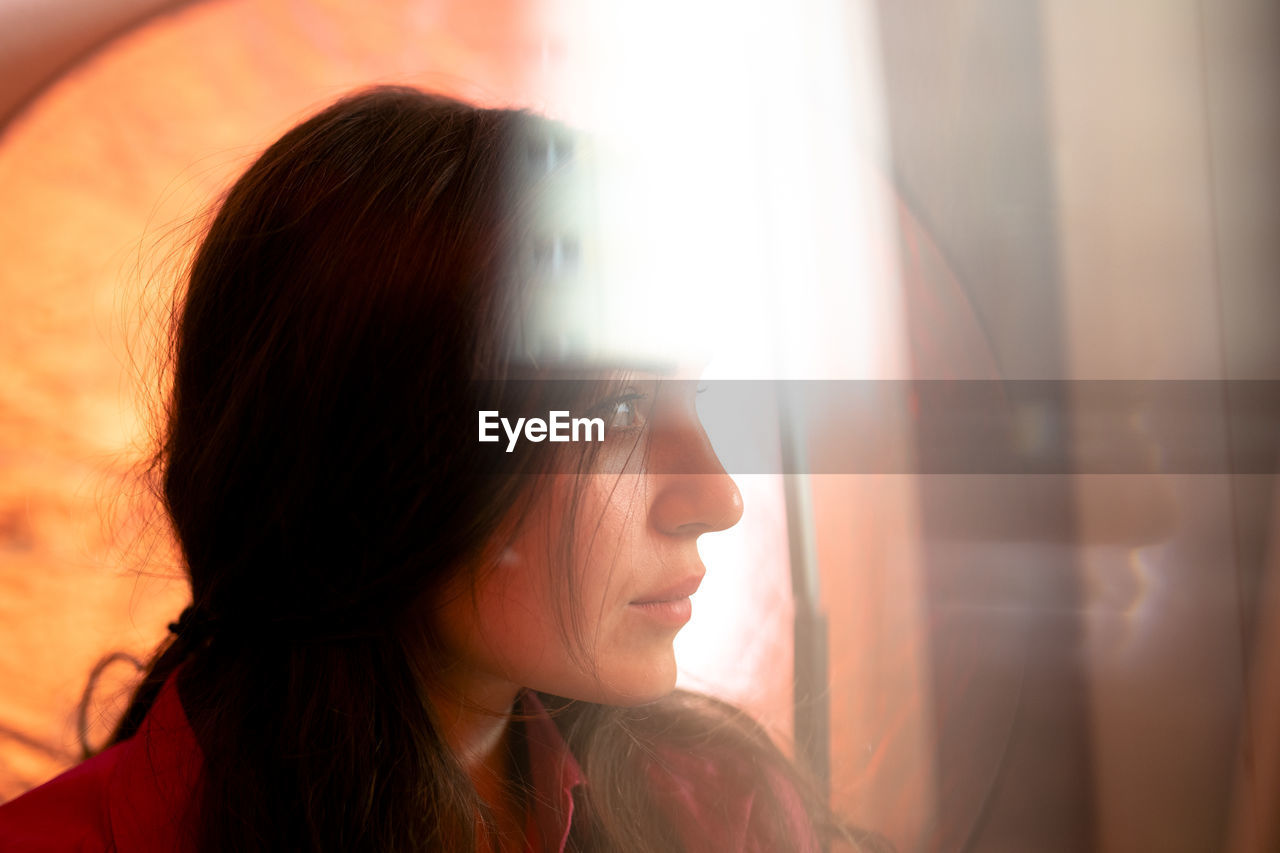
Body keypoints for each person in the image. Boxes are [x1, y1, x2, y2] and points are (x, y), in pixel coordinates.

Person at [0, 86, 871, 852]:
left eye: (695, 396)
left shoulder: (718, 809)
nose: (717, 498)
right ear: (375, 457)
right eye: (618, 409)